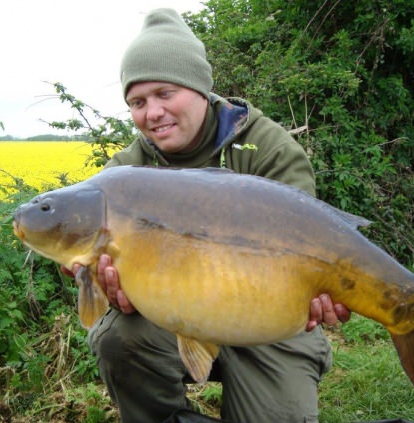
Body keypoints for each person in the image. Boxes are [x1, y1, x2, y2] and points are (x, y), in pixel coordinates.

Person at [65, 8, 350, 423]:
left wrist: (324, 289)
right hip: (173, 318)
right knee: (118, 339)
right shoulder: (125, 173)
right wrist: (94, 276)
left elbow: (313, 239)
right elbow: (80, 246)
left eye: (165, 94)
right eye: (138, 102)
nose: (153, 113)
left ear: (200, 88)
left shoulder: (265, 146)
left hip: (268, 323)